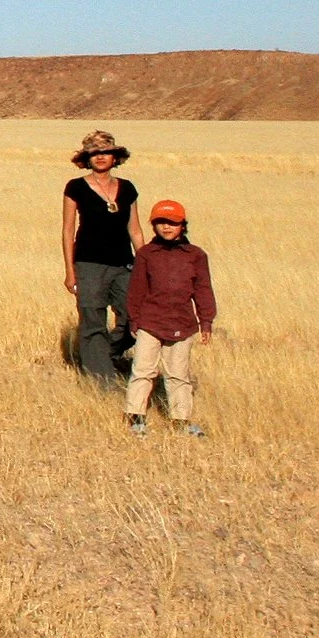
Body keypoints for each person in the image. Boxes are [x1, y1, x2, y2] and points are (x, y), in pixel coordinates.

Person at [124, 199, 216, 436]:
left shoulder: (196, 255)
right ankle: (135, 418)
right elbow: (137, 290)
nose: (166, 227)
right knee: (143, 371)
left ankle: (181, 421)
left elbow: (203, 289)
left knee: (178, 375)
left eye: (173, 223)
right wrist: (134, 320)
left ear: (183, 225)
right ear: (153, 225)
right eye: (161, 222)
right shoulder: (146, 254)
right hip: (150, 323)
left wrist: (206, 321)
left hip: (182, 324)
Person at [61, 130, 145, 385]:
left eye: (105, 152)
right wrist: (70, 271)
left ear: (115, 157)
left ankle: (104, 355)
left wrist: (146, 266)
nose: (100, 157)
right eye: (94, 153)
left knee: (134, 317)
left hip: (124, 264)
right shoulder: (76, 187)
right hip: (89, 264)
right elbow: (67, 230)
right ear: (87, 158)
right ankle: (102, 380)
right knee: (93, 319)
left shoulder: (127, 188)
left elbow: (136, 230)